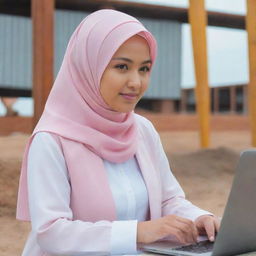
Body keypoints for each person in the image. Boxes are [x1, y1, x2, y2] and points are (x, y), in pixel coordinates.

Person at [16, 9, 220, 256]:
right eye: (122, 67)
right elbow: (51, 232)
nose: (136, 82)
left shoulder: (142, 130)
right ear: (88, 66)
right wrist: (137, 232)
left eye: (144, 69)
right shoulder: (51, 140)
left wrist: (199, 218)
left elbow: (168, 200)